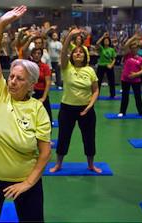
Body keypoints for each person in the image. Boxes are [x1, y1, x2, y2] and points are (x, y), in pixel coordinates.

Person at [0, 6, 51, 222]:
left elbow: (44, 153)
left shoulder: (38, 110)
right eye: (12, 76)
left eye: (19, 78)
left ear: (31, 84)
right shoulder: (0, 94)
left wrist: (28, 183)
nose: (13, 81)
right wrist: (0, 25)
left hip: (25, 178)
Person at [50, 28, 101, 173]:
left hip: (86, 109)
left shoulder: (90, 70)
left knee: (89, 137)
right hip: (67, 108)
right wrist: (70, 36)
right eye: (75, 52)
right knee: (63, 136)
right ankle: (58, 164)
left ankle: (91, 165)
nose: (78, 53)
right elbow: (64, 51)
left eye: (81, 52)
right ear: (72, 56)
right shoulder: (67, 68)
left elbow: (96, 90)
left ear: (85, 56)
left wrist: (89, 106)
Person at [118, 34, 142, 117]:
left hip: (136, 80)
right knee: (125, 96)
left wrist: (136, 74)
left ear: (138, 48)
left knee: (138, 96)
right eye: (132, 48)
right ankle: (122, 112)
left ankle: (141, 112)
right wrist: (133, 37)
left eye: (135, 48)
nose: (134, 49)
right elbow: (126, 45)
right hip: (125, 79)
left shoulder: (140, 58)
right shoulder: (127, 55)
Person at [30, 48, 53, 124]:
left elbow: (48, 82)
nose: (36, 55)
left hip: (42, 93)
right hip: (30, 94)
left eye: (39, 53)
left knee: (47, 120)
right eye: (35, 53)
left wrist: (44, 97)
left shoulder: (45, 67)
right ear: (32, 54)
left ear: (41, 55)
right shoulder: (29, 66)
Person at [96, 32, 117, 98]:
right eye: (105, 41)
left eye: (107, 40)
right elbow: (97, 43)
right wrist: (103, 36)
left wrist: (111, 65)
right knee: (98, 81)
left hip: (109, 66)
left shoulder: (112, 49)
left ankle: (112, 95)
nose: (106, 41)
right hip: (101, 66)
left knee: (111, 81)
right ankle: (97, 94)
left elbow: (114, 59)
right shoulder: (101, 48)